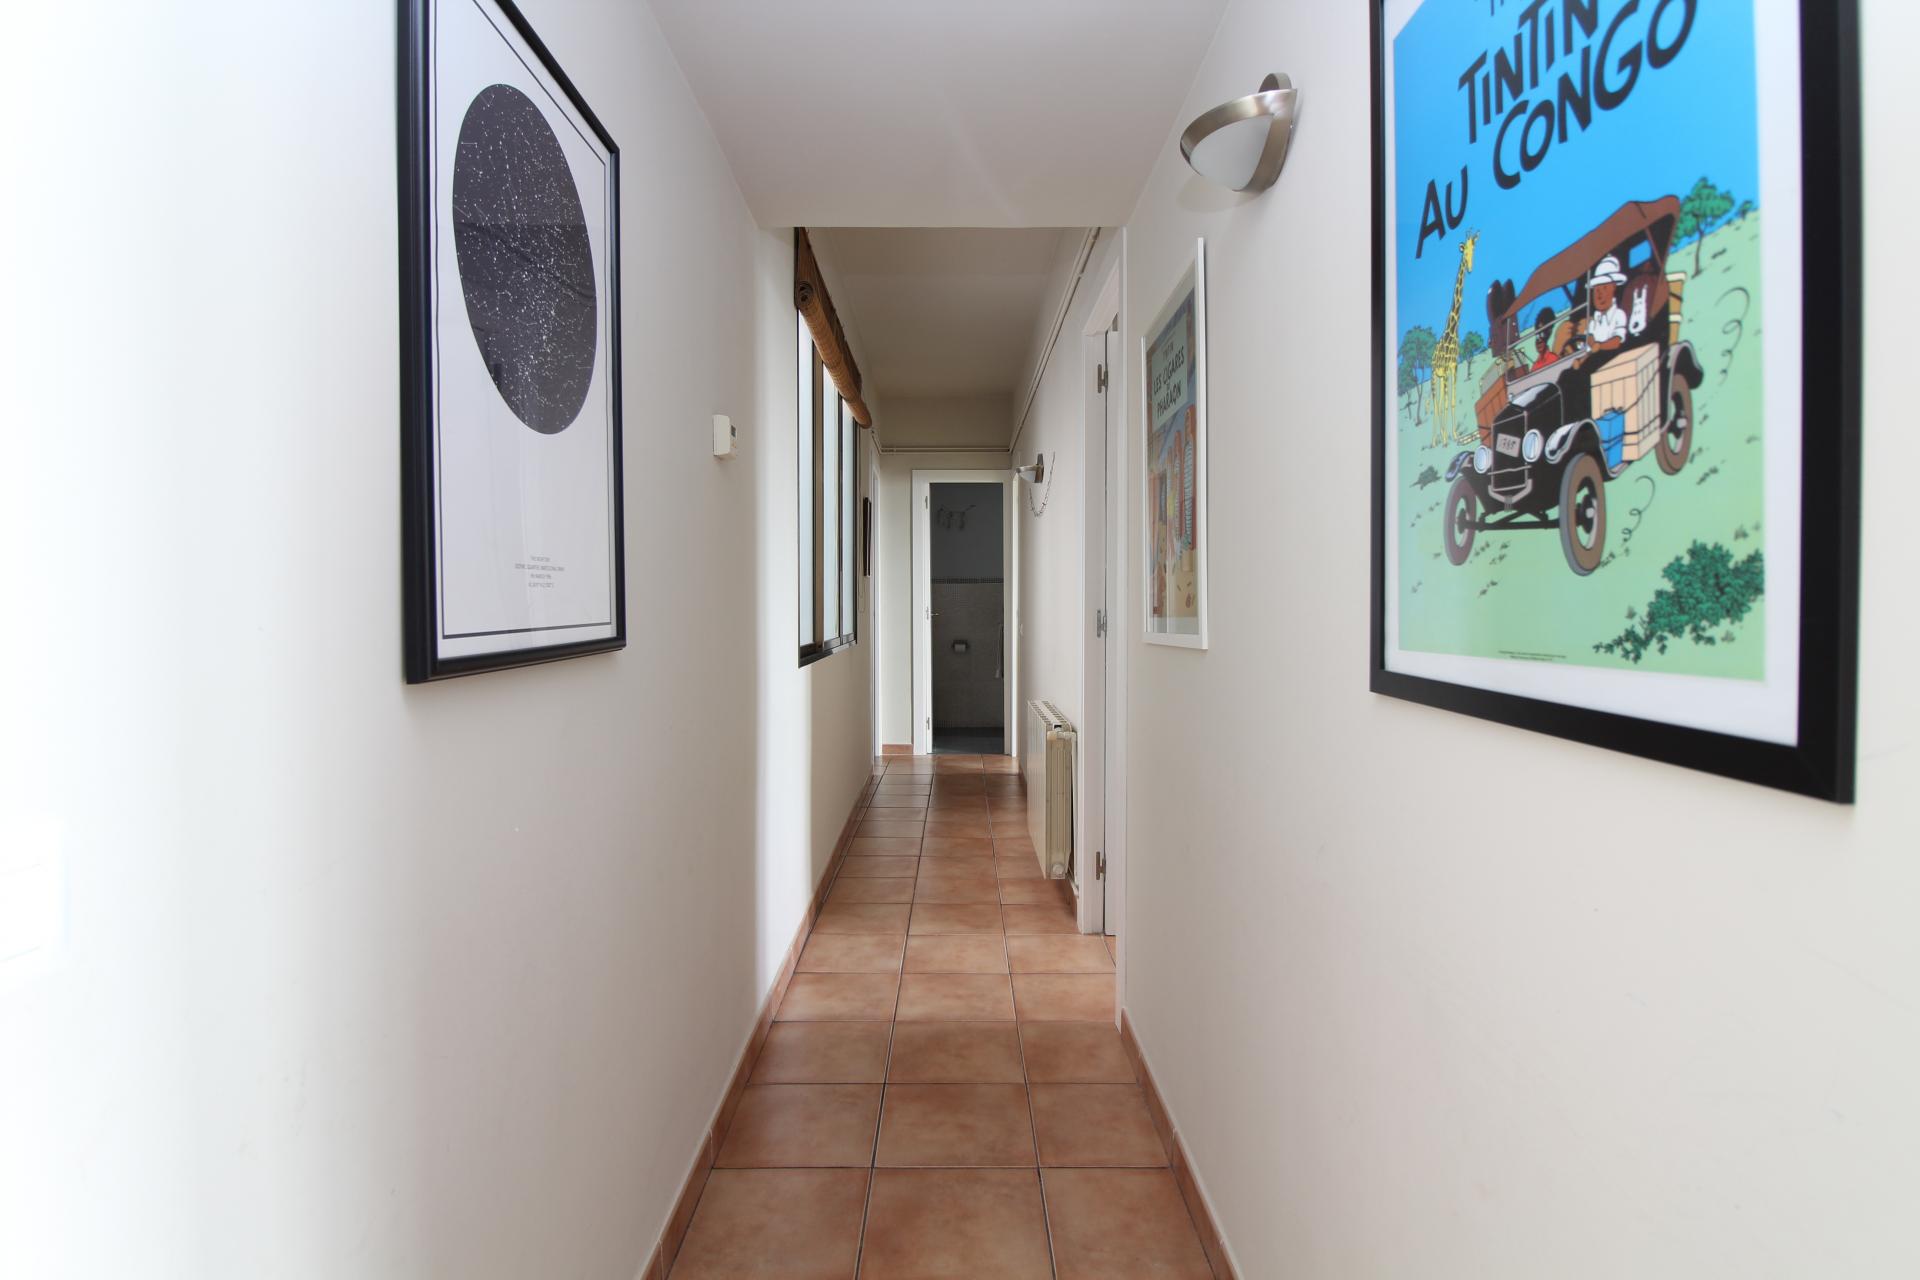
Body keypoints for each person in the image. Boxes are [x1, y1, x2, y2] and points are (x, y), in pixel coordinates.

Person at [1585, 255, 1629, 352]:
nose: (1599, 295)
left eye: (1604, 288)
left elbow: (1616, 341)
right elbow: (1588, 339)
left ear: (1613, 287)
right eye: (1596, 290)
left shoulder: (1619, 315)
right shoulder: (1593, 321)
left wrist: (1599, 346)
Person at [1531, 305, 1561, 371]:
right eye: (1537, 335)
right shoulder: (1534, 367)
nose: (1538, 340)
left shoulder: (1554, 359)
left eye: (1542, 334)